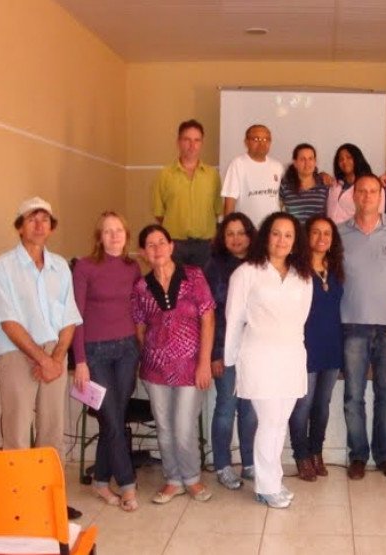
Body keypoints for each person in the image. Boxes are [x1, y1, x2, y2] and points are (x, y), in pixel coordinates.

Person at [0, 196, 84, 520]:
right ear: (19, 227)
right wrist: (43, 359)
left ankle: (49, 502)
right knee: (16, 432)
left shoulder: (60, 268)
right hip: (17, 354)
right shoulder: (3, 267)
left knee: (53, 432)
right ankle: (17, 505)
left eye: (45, 219)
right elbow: (9, 321)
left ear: (51, 228)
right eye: (31, 218)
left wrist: (55, 357)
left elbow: (69, 318)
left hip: (54, 355)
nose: (39, 225)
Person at [224, 212, 313, 508]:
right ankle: (266, 485)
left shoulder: (303, 276)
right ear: (266, 236)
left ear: (295, 241)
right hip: (258, 357)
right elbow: (234, 319)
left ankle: (272, 480)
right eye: (276, 233)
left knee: (280, 422)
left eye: (288, 235)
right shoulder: (247, 272)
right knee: (270, 421)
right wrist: (230, 360)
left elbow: (302, 318)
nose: (282, 240)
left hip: (290, 356)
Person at [132, 224, 214, 504]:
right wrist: (151, 355)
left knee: (182, 425)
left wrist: (204, 362)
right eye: (150, 245)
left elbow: (208, 319)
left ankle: (191, 478)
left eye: (161, 242)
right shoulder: (141, 287)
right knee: (164, 427)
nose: (157, 249)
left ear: (171, 246)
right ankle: (173, 480)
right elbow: (140, 328)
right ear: (143, 252)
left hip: (192, 367)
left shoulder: (194, 276)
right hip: (155, 370)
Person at [339, 175, 386, 480]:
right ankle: (358, 456)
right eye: (362, 191)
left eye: (373, 191)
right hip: (351, 325)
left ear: (380, 196)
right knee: (353, 396)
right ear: (354, 196)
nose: (367, 196)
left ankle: (384, 456)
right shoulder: (340, 233)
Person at [71, 211, 142, 512]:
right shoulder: (84, 267)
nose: (114, 235)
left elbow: (140, 309)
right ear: (99, 236)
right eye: (107, 231)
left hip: (127, 350)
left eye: (119, 230)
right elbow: (75, 316)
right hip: (95, 353)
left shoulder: (132, 267)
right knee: (112, 419)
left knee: (114, 418)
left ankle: (101, 481)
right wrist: (80, 361)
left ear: (126, 235)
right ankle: (127, 484)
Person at [203, 212, 258, 489]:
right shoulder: (213, 267)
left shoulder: (261, 264)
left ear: (250, 235)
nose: (236, 238)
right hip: (225, 347)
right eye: (230, 233)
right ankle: (223, 464)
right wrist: (214, 353)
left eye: (241, 232)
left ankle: (249, 463)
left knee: (250, 409)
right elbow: (208, 314)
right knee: (226, 406)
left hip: (255, 349)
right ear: (222, 238)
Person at [289, 216, 344, 481]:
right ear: (306, 236)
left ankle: (316, 452)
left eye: (327, 234)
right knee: (302, 407)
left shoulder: (335, 269)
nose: (322, 238)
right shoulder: (295, 270)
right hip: (304, 347)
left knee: (322, 406)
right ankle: (300, 456)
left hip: (332, 345)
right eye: (316, 232)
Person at [151, 119, 222, 267]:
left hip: (205, 246)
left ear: (202, 143)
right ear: (178, 142)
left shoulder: (213, 175)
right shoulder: (165, 175)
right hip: (175, 245)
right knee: (176, 288)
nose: (192, 145)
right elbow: (159, 214)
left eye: (197, 140)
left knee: (203, 288)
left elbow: (216, 210)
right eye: (187, 139)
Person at [221, 124, 284, 227]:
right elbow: (230, 202)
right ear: (246, 142)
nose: (262, 143)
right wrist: (228, 230)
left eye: (266, 139)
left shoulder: (277, 166)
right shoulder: (237, 164)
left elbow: (281, 200)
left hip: (271, 230)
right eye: (256, 139)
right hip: (246, 231)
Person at [327, 143, 385, 224]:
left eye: (348, 157)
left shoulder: (372, 185)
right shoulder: (335, 184)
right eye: (341, 159)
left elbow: (378, 214)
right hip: (331, 233)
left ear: (357, 158)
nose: (344, 161)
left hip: (355, 233)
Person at [279, 143, 328, 224]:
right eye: (302, 159)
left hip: (317, 235)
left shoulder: (324, 184)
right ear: (295, 163)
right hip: (294, 234)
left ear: (315, 162)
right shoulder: (285, 185)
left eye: (310, 159)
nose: (307, 163)